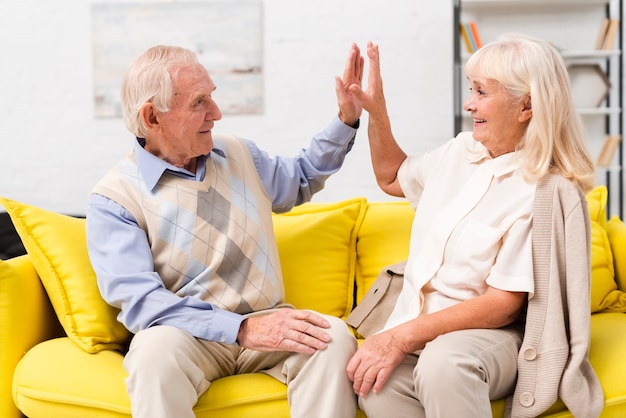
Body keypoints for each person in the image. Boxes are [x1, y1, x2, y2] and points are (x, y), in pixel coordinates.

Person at [85, 43, 364, 418]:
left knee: (331, 338)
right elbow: (143, 303)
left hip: (268, 324)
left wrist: (345, 120)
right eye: (199, 102)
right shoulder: (114, 199)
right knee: (152, 355)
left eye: (212, 97)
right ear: (152, 117)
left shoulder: (238, 154)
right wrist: (240, 328)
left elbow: (299, 176)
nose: (216, 113)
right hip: (188, 335)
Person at [345, 34, 603, 417]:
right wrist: (377, 114)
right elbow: (392, 177)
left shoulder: (544, 193)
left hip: (489, 340)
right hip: (421, 335)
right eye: (472, 90)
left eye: (481, 92)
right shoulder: (459, 151)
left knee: (442, 366)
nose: (469, 104)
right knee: (378, 384)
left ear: (526, 106)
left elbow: (502, 305)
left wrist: (400, 336)